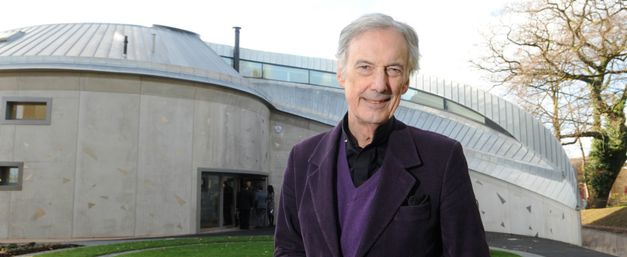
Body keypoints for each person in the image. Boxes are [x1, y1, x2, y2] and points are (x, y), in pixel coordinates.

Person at [274, 13, 489, 257]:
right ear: (342, 74)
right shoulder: (302, 158)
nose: (379, 84)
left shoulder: (442, 159)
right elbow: (289, 248)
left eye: (393, 69)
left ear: (406, 81)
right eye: (365, 67)